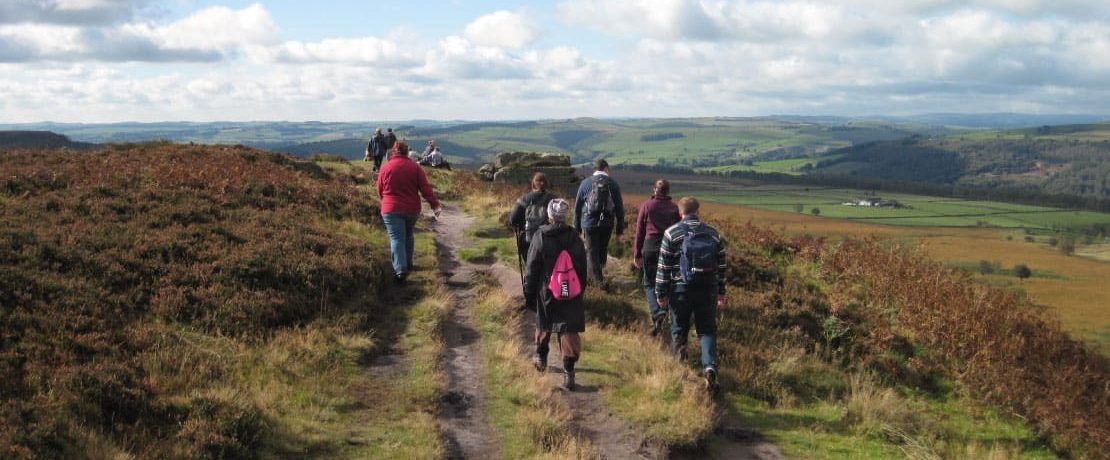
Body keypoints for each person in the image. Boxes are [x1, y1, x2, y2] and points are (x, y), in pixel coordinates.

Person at [655, 197, 727, 393]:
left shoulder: (671, 233)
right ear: (698, 211)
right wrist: (721, 293)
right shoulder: (713, 234)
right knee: (707, 330)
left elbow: (664, 267)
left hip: (680, 289)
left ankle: (680, 367)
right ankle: (710, 367)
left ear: (680, 213)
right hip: (707, 290)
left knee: (679, 328)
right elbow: (721, 267)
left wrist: (660, 293)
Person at [523, 199, 588, 391]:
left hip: (548, 290)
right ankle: (569, 372)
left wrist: (529, 292)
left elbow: (532, 268)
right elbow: (583, 268)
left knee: (544, 323)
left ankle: (541, 356)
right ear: (564, 216)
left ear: (549, 216)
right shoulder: (575, 237)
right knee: (568, 329)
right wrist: (578, 290)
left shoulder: (540, 236)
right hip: (571, 291)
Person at [376, 141, 442, 284]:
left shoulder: (385, 168)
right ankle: (408, 264)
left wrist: (385, 202)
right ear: (407, 153)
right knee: (408, 234)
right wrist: (435, 206)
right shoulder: (415, 168)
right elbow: (426, 189)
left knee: (396, 238)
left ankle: (400, 270)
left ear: (394, 152)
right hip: (412, 209)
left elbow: (380, 190)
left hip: (390, 209)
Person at [632, 179, 681, 336]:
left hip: (650, 246)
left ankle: (657, 312)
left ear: (654, 190)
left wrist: (637, 253)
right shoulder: (674, 208)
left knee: (648, 283)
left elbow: (640, 230)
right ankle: (662, 317)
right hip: (670, 247)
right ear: (668, 191)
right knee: (667, 282)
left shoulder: (647, 205)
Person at [573, 159, 625, 284]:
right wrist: (619, 230)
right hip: (607, 224)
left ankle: (596, 281)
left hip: (589, 223)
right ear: (606, 169)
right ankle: (598, 279)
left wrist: (577, 228)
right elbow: (619, 209)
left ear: (595, 169)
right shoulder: (613, 184)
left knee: (591, 251)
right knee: (602, 249)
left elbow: (577, 207)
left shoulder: (585, 183)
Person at [509, 172, 557, 256]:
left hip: (528, 239)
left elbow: (513, 219)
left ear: (533, 184)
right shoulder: (554, 200)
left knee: (530, 265)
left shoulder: (524, 199)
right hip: (548, 239)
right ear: (546, 184)